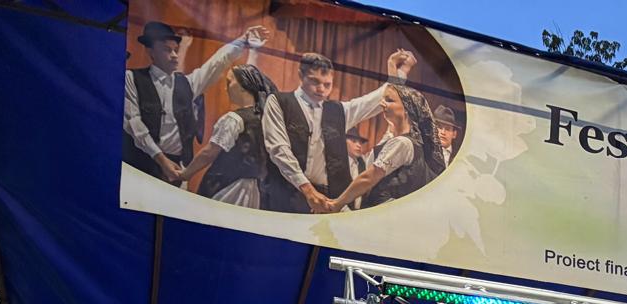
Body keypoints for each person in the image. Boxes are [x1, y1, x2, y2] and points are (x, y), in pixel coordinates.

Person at [260, 48, 413, 213]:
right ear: (301, 75)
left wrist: (399, 71)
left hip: (329, 198)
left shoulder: (339, 110)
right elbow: (278, 149)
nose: (321, 89)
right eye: (314, 81)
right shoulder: (280, 102)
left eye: (327, 84)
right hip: (286, 194)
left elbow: (375, 101)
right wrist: (307, 189)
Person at [123, 20, 268, 182]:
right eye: (167, 50)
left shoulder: (186, 83)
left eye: (175, 50)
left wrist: (243, 40)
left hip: (177, 166)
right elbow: (134, 124)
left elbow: (217, 63)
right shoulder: (132, 78)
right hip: (141, 163)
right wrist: (161, 159)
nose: (174, 55)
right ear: (151, 51)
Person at [324, 83, 443, 211]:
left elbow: (368, 178)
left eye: (389, 100)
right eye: (383, 99)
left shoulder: (402, 143)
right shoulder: (400, 141)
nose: (382, 104)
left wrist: (337, 204)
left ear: (407, 109)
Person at [174, 63, 275, 207]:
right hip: (252, 188)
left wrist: (186, 174)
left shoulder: (234, 120)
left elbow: (209, 153)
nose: (226, 88)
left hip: (227, 187)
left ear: (243, 86)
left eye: (229, 82)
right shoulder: (265, 119)